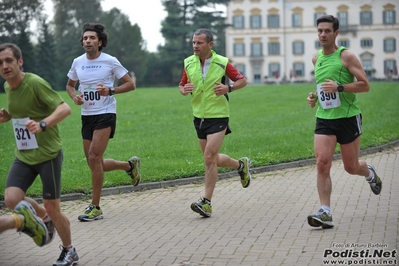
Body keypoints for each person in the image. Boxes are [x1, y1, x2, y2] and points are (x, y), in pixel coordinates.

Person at [0, 43, 79, 266]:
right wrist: (8, 115)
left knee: (54, 207)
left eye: (9, 60)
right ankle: (46, 216)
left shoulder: (34, 82)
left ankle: (69, 250)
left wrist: (43, 124)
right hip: (24, 154)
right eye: (0, 63)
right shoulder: (8, 87)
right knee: (11, 199)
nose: (4, 66)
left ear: (20, 62)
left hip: (48, 154)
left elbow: (65, 108)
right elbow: (23, 112)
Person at [306, 15, 382, 229]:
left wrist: (340, 88)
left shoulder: (346, 56)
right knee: (322, 163)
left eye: (327, 31)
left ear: (335, 33)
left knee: (351, 167)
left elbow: (365, 85)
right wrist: (313, 97)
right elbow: (323, 88)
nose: (322, 34)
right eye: (320, 30)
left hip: (348, 118)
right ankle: (325, 212)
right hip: (324, 118)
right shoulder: (316, 58)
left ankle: (369, 172)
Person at [66, 22, 141, 222]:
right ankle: (129, 166)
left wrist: (111, 91)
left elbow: (130, 84)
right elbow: (70, 85)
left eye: (92, 38)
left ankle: (96, 206)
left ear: (100, 42)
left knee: (93, 156)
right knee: (94, 163)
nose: (88, 41)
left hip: (105, 112)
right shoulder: (77, 62)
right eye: (85, 38)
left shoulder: (110, 61)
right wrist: (74, 97)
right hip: (87, 114)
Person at [178, 28, 252, 218]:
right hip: (199, 115)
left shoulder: (222, 62)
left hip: (218, 115)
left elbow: (243, 81)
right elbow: (181, 85)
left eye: (199, 43)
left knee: (209, 157)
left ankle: (206, 202)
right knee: (211, 158)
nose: (195, 46)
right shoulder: (188, 62)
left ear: (210, 44)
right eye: (194, 42)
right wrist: (183, 89)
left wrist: (229, 87)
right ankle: (240, 166)